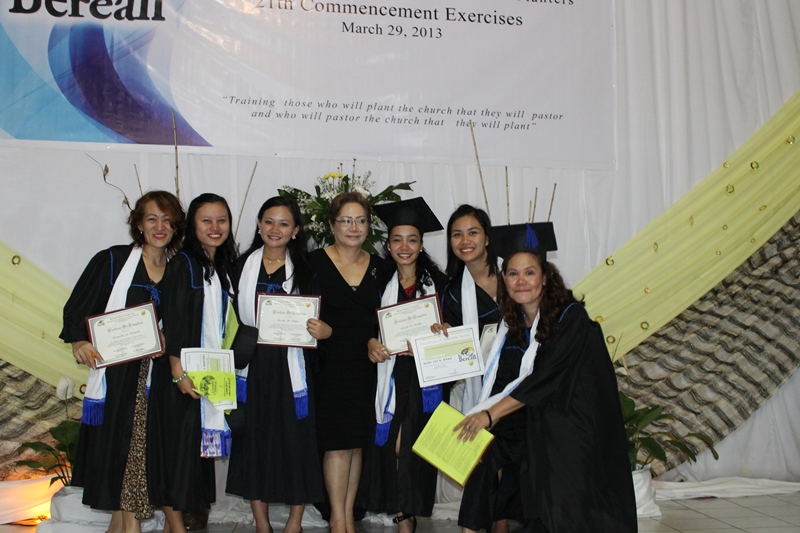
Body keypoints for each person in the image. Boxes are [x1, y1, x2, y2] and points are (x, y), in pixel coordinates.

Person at [454, 244, 638, 533]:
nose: (521, 281)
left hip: (574, 420)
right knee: (487, 447)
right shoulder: (512, 324)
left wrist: (490, 415)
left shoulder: (570, 317)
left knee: (560, 503)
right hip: (537, 413)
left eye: (529, 273)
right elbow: (504, 380)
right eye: (513, 274)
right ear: (504, 279)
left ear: (545, 278)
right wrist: (485, 418)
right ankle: (474, 527)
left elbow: (546, 377)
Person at [61, 190, 184, 533]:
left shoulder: (178, 268)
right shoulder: (113, 260)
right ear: (138, 224)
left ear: (176, 226)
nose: (159, 227)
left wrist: (167, 336)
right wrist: (79, 341)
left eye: (167, 220)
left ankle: (122, 526)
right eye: (151, 219)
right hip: (117, 376)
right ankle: (128, 527)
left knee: (141, 453)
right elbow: (78, 307)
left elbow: (184, 320)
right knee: (124, 450)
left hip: (157, 378)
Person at [226, 196, 331, 533]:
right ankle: (261, 523)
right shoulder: (239, 267)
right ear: (259, 225)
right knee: (253, 442)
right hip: (251, 368)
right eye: (269, 221)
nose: (275, 229)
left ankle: (294, 522)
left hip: (293, 369)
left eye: (284, 223)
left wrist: (324, 330)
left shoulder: (309, 270)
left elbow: (324, 318)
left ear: (296, 230)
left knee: (296, 442)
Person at [147, 193, 238, 533]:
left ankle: (177, 526)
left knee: (192, 457)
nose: (215, 227)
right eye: (206, 220)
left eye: (221, 220)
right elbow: (173, 319)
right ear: (192, 226)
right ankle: (176, 527)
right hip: (182, 377)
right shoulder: (184, 263)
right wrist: (177, 371)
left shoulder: (221, 266)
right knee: (177, 455)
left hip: (208, 374)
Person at [359, 198, 448, 533]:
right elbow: (365, 325)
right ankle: (403, 515)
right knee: (395, 444)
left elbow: (455, 328)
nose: (404, 247)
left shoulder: (440, 283)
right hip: (390, 374)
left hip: (425, 379)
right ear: (388, 245)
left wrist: (444, 331)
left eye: (412, 240)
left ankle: (407, 515)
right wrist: (371, 343)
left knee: (413, 446)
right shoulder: (377, 281)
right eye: (397, 240)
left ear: (422, 244)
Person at [308, 192, 389, 533]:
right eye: (346, 220)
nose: (354, 227)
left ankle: (348, 513)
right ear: (331, 225)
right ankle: (337, 519)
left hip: (367, 366)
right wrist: (321, 330)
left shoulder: (382, 268)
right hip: (329, 366)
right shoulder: (312, 263)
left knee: (357, 444)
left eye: (361, 221)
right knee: (337, 445)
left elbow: (383, 318)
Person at [435, 205, 503, 414]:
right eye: (457, 235)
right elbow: (455, 359)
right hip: (474, 389)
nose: (465, 241)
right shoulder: (452, 294)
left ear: (487, 238)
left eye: (473, 233)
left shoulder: (514, 277)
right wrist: (445, 338)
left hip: (519, 379)